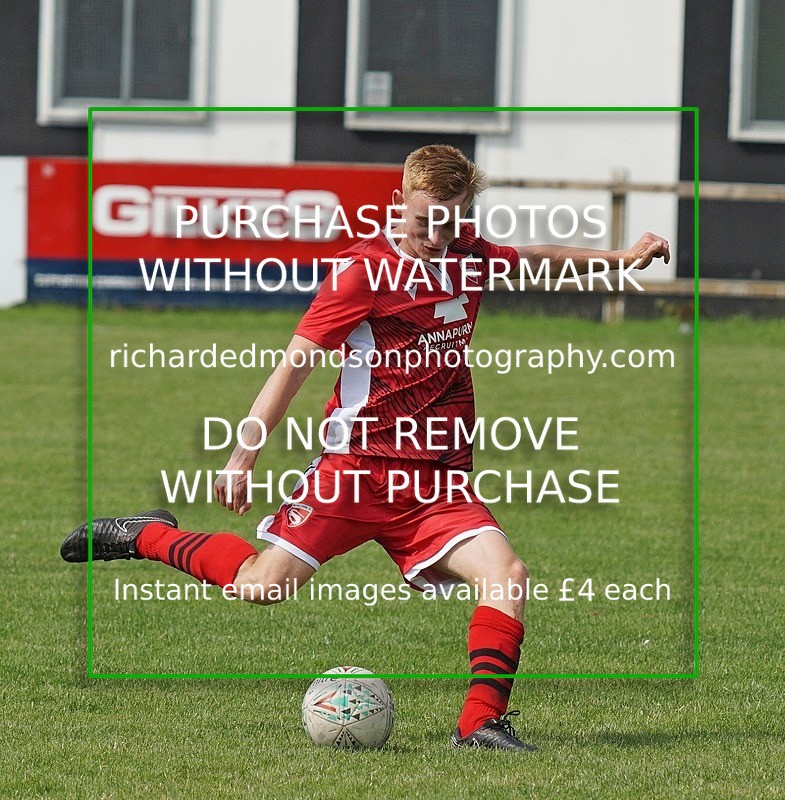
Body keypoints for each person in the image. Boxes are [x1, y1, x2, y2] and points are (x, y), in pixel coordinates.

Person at [61, 145, 670, 750]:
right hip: (357, 467)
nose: (438, 234)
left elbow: (539, 259)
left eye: (452, 219)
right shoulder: (362, 272)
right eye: (426, 219)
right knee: (262, 585)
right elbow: (294, 365)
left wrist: (620, 258)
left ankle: (480, 724)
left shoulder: (469, 254)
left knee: (506, 573)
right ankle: (146, 535)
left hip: (434, 477)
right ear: (397, 202)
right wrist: (242, 454)